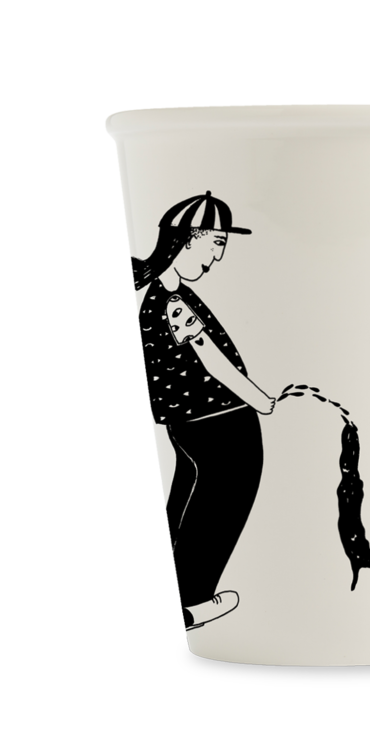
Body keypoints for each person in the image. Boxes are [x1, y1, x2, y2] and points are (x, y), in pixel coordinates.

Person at [132, 191, 276, 630]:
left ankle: (182, 598)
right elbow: (212, 360)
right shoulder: (173, 301)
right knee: (224, 499)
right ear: (187, 239)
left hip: (189, 422)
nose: (217, 256)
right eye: (215, 243)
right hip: (215, 419)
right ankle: (193, 600)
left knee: (189, 498)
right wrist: (260, 399)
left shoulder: (167, 292)